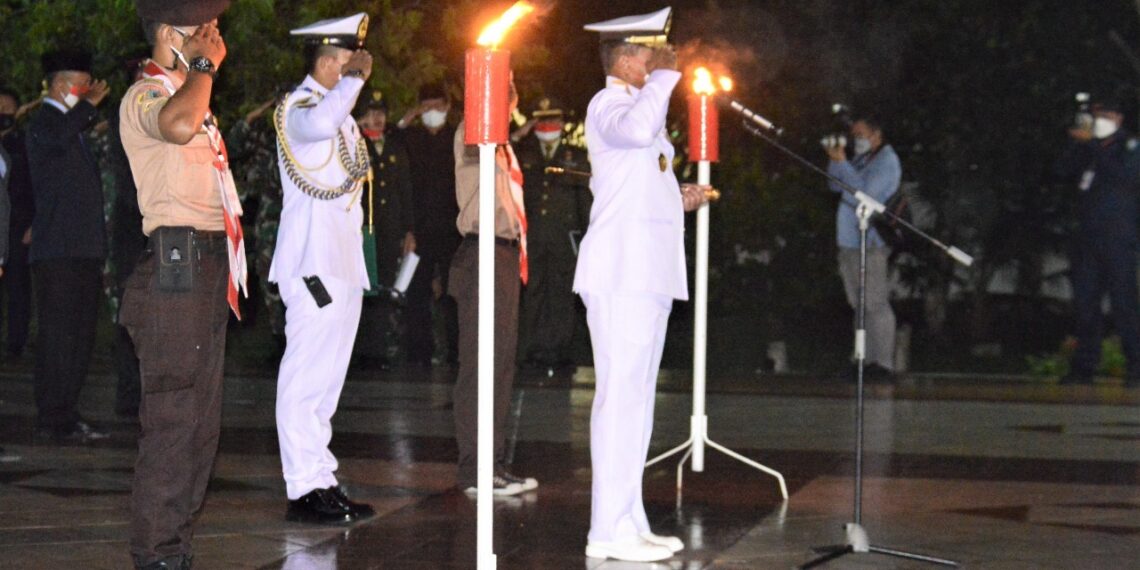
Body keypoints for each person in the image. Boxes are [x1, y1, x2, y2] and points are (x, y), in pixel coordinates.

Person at [576, 7, 708, 563]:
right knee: (620, 402)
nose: (660, 61)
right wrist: (667, 78)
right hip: (620, 273)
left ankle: (628, 517)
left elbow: (636, 179)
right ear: (628, 58)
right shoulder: (609, 105)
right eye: (651, 53)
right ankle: (605, 530)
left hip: (645, 272)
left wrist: (675, 197)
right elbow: (634, 134)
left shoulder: (638, 111)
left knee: (639, 405)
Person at [117, 1, 246, 567]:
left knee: (200, 422)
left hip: (206, 263)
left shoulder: (191, 91)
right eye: (201, 29)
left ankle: (177, 547)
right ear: (169, 35)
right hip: (177, 265)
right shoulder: (148, 94)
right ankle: (158, 554)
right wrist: (203, 69)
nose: (214, 37)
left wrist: (198, 74)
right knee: (174, 420)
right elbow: (177, 125)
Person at [269, 13, 377, 525]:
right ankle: (302, 486)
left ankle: (320, 478)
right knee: (305, 377)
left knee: (327, 381)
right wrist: (353, 83)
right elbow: (319, 126)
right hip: (312, 262)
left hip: (340, 261)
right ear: (327, 61)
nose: (352, 67)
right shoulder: (300, 108)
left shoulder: (340, 113)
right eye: (343, 61)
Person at [450, 77, 538, 496]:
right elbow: (474, 160)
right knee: (480, 365)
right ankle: (475, 468)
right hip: (482, 251)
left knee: (500, 364)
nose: (508, 100)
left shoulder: (502, 142)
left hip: (503, 254)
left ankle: (493, 461)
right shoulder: (475, 129)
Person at [25, 49, 111, 444]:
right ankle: (52, 415)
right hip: (57, 250)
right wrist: (89, 107)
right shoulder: (43, 122)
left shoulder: (74, 129)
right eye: (80, 85)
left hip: (82, 250)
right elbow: (56, 140)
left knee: (79, 337)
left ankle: (68, 412)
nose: (87, 92)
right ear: (60, 87)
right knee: (58, 336)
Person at [1054, 98, 1140, 387]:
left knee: (1123, 305)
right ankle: (1084, 367)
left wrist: (1091, 144)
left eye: (1103, 115)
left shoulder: (1130, 147)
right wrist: (1078, 144)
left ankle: (1136, 367)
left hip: (1118, 239)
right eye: (1095, 115)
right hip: (1088, 239)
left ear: (1117, 118)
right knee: (1086, 305)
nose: (1098, 119)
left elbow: (1124, 177)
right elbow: (1062, 171)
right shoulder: (1090, 149)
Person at [514, 97, 591, 372]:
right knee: (533, 292)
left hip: (563, 236)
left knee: (561, 294)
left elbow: (583, 199)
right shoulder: (524, 152)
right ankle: (532, 350)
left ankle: (559, 350)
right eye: (542, 120)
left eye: (553, 120)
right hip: (532, 236)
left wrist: (587, 236)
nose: (548, 126)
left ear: (561, 123)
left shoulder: (574, 156)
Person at [826, 114, 901, 380]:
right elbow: (834, 185)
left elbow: (864, 195)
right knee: (858, 303)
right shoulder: (861, 160)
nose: (855, 140)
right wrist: (836, 161)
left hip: (870, 242)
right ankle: (862, 359)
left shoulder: (887, 161)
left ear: (876, 135)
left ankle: (883, 363)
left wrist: (844, 165)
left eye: (860, 135)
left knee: (875, 303)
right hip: (848, 240)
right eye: (853, 135)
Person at [399, 83, 460, 368]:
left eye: (438, 106)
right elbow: (389, 139)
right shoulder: (411, 138)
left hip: (452, 229)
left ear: (447, 107)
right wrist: (411, 115)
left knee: (453, 294)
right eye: (427, 108)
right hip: (419, 230)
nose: (432, 112)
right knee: (416, 294)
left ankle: (456, 354)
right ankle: (418, 355)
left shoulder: (456, 137)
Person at [354, 91, 414, 368]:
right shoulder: (353, 145)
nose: (377, 119)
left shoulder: (395, 149)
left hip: (389, 231)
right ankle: (358, 351)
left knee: (385, 287)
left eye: (381, 113)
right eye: (371, 112)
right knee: (361, 289)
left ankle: (379, 350)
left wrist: (408, 231)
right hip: (361, 231)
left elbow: (405, 192)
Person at [227, 95, 286, 354]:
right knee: (267, 273)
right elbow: (232, 145)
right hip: (268, 218)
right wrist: (257, 112)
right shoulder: (264, 136)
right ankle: (278, 334)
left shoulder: (303, 134)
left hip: (296, 219)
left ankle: (293, 334)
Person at [0, 87, 34, 360]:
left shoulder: (24, 144)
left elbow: (35, 186)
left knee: (18, 288)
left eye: (9, 111)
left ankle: (15, 345)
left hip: (17, 228)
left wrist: (33, 224)